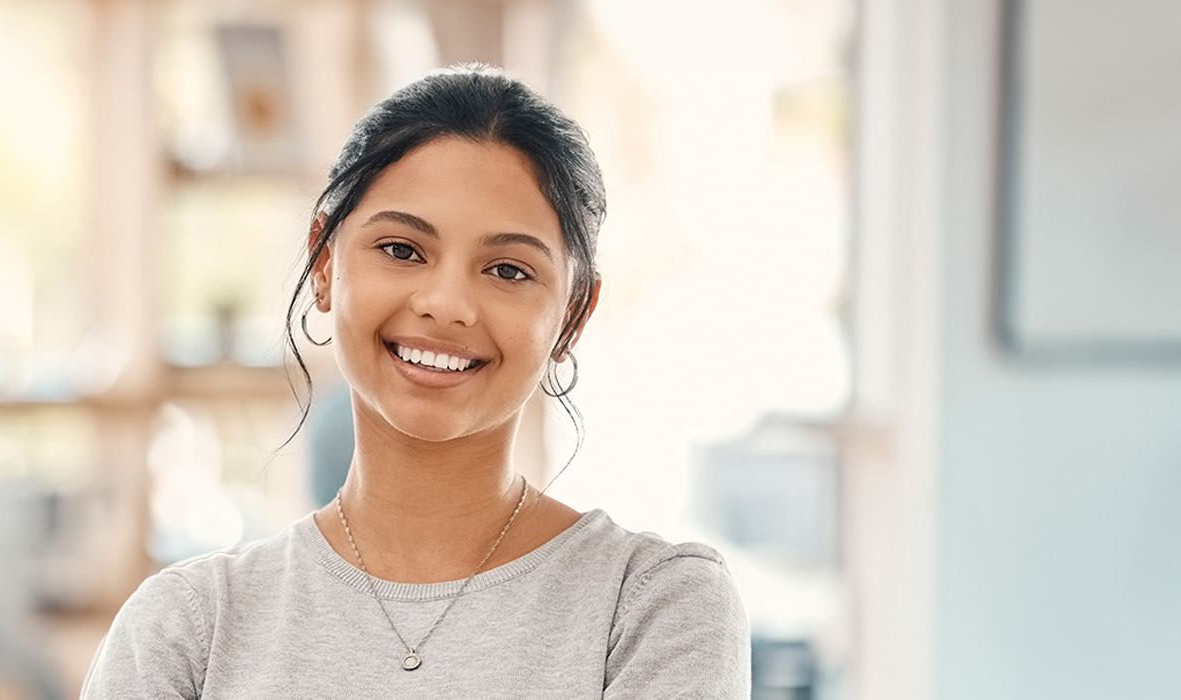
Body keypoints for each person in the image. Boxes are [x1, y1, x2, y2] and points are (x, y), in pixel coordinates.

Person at [82, 64, 748, 698]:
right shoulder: (189, 628)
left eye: (509, 270)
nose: (446, 303)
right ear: (323, 263)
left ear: (572, 314)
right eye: (402, 250)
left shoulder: (655, 607)